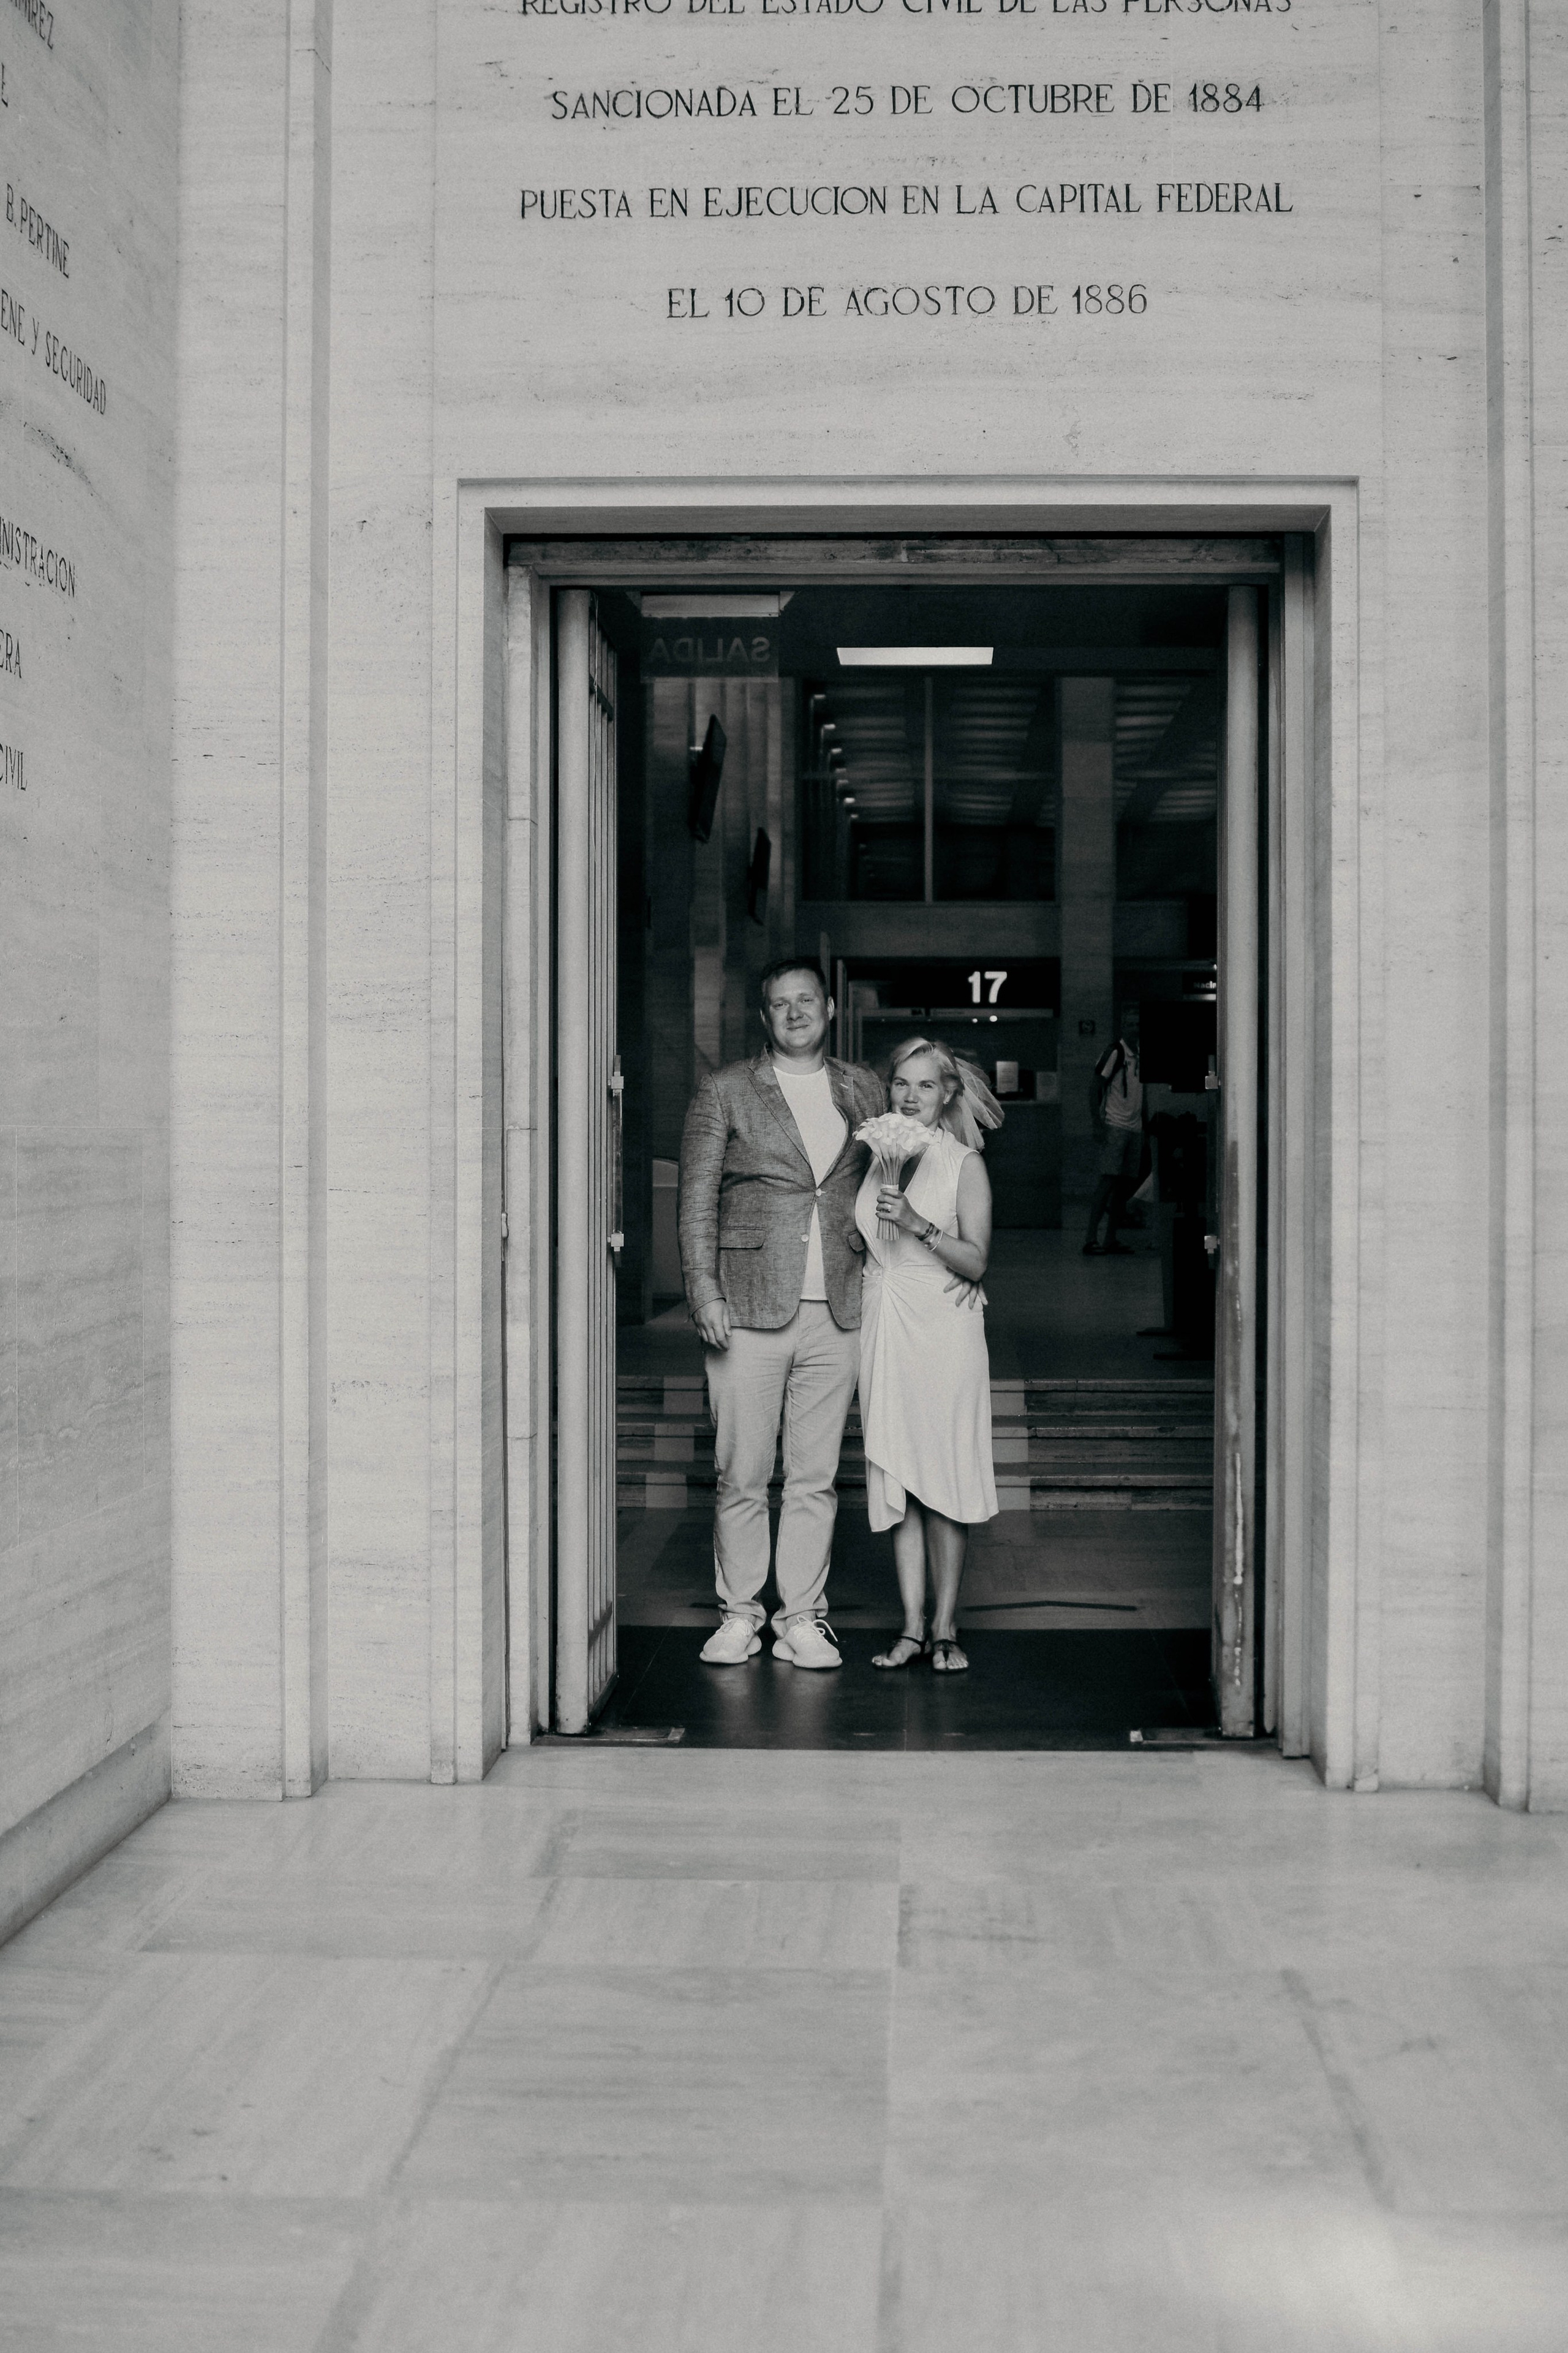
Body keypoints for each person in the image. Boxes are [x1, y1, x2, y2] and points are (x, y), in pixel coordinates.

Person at [678, 958, 884, 1669]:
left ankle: (803, 1616)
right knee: (740, 1471)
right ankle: (739, 1612)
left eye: (806, 1000)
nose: (794, 1013)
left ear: (828, 1008)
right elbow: (696, 1199)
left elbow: (892, 1180)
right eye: (779, 1004)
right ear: (764, 1017)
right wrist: (703, 1291)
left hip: (843, 1306)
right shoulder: (726, 1090)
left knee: (815, 1474)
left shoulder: (863, 1089)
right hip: (745, 1306)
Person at [858, 1038, 1002, 1674]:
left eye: (924, 1086)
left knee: (941, 1479)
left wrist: (919, 1226)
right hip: (884, 1327)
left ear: (948, 1094)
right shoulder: (876, 1156)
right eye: (899, 1084)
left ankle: (946, 1627)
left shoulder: (964, 1163)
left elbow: (976, 1260)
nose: (909, 1097)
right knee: (899, 1477)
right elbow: (863, 1238)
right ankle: (911, 1627)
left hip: (943, 1333)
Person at [1083, 1004, 1144, 1256]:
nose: (1134, 1028)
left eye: (1138, 1024)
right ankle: (1090, 1238)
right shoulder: (1115, 1052)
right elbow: (1095, 1086)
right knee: (1107, 1182)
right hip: (1115, 1126)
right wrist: (1098, 1123)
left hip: (1135, 1127)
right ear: (1122, 1027)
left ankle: (1110, 1238)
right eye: (1130, 1024)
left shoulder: (1140, 1054)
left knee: (1123, 1187)